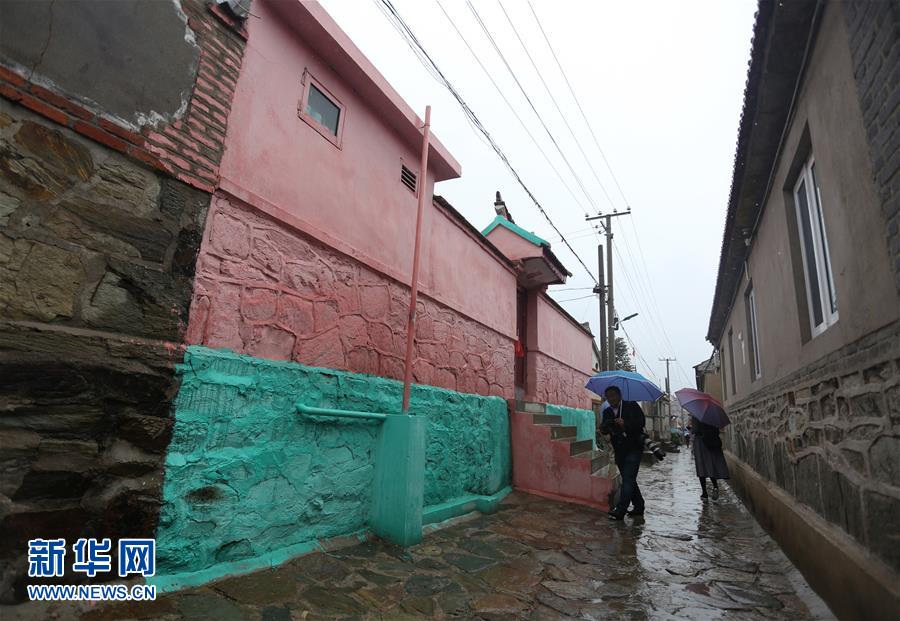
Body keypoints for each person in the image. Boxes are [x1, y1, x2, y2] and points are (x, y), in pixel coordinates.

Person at [600, 386, 647, 520]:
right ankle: (639, 506)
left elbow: (641, 423)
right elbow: (603, 429)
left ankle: (621, 509)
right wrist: (611, 423)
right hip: (619, 450)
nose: (611, 399)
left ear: (619, 395)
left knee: (627, 479)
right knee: (629, 479)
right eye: (608, 397)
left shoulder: (631, 406)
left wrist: (625, 423)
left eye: (613, 395)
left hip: (634, 448)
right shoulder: (608, 411)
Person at [691, 416, 730, 500]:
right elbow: (717, 430)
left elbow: (695, 430)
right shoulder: (712, 415)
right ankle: (715, 486)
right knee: (710, 465)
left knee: (701, 467)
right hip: (711, 442)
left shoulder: (696, 415)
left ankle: (704, 493)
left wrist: (691, 428)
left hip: (700, 443)